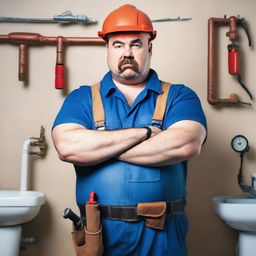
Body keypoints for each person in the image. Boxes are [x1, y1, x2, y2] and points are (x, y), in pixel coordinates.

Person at [52, 4, 207, 256]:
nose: (127, 52)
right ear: (107, 48)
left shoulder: (179, 96)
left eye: (135, 44)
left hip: (163, 235)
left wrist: (99, 148)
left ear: (149, 47)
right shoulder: (82, 98)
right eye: (118, 45)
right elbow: (67, 147)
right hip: (99, 234)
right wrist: (145, 132)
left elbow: (186, 144)